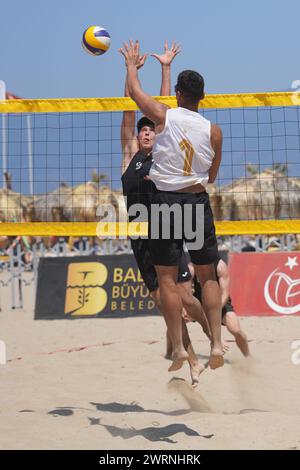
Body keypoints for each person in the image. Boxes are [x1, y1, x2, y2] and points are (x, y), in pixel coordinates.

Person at [119, 40, 223, 371]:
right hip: (195, 199)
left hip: (165, 203)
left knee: (167, 281)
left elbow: (136, 95)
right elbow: (212, 174)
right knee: (207, 278)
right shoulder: (214, 131)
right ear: (202, 97)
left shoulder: (165, 116)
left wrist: (131, 67)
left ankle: (179, 349)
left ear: (178, 93)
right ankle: (218, 344)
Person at [193, 256, 250, 357]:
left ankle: (248, 356)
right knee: (177, 319)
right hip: (200, 302)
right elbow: (186, 291)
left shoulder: (220, 266)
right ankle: (171, 351)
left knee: (236, 330)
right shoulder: (193, 266)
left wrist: (215, 311)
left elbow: (225, 294)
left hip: (220, 303)